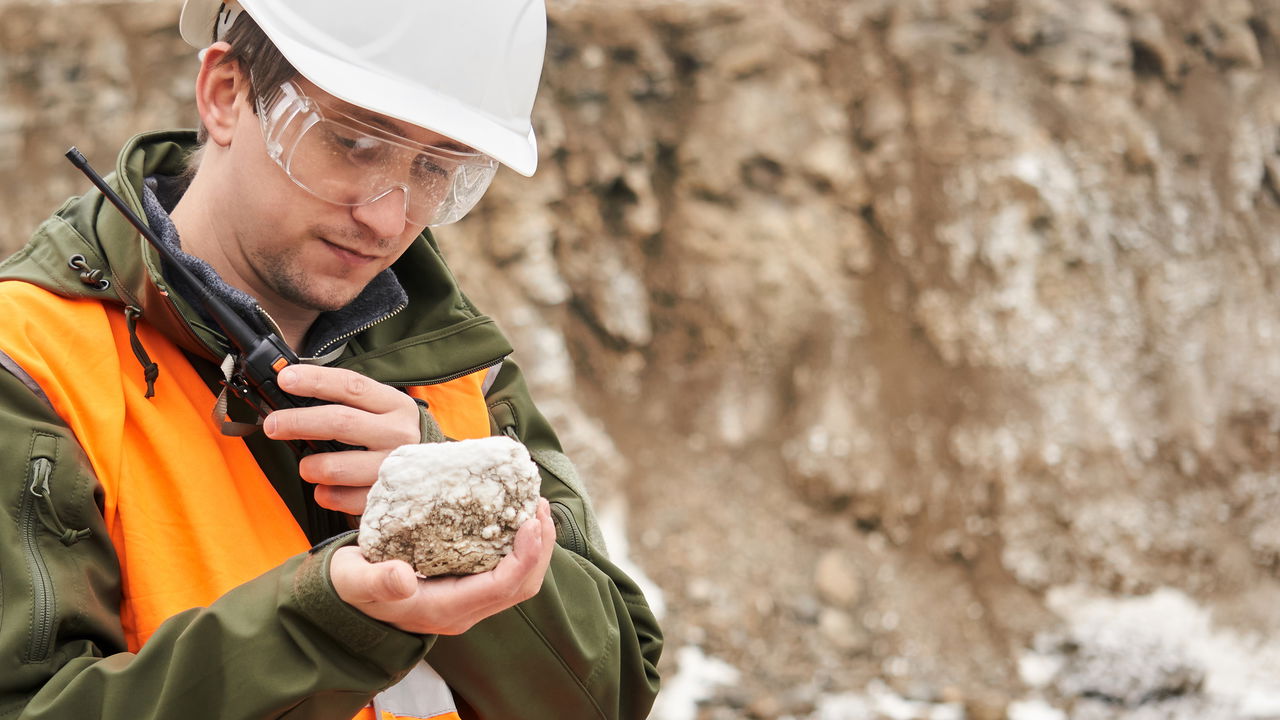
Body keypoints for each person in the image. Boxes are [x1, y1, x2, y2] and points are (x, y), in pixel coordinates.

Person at [0, 1, 662, 718]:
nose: (387, 217)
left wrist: (457, 518)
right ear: (226, 95)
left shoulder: (458, 369)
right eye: (352, 142)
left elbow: (610, 695)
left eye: (439, 169)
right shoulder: (30, 367)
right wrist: (334, 621)